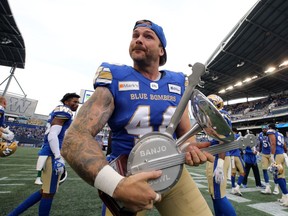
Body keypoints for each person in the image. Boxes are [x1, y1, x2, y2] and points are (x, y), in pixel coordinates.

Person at [61, 20, 214, 216]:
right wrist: (117, 185)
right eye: (135, 35)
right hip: (128, 175)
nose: (139, 40)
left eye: (147, 36)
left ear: (161, 50)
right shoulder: (116, 77)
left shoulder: (177, 82)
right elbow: (75, 138)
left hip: (172, 171)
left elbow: (185, 135)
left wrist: (190, 148)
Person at [8, 93, 80, 216]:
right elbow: (53, 134)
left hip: (50, 154)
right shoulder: (64, 110)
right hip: (51, 155)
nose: (77, 104)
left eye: (78, 102)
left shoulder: (61, 110)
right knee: (47, 193)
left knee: (45, 191)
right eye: (74, 102)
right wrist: (57, 156)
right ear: (66, 102)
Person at [205, 94, 236, 216]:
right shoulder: (223, 114)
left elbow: (222, 140)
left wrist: (220, 164)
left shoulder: (219, 115)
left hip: (219, 156)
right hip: (218, 156)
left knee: (218, 195)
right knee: (214, 194)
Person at [266, 123, 288, 206]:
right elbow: (284, 145)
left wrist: (272, 154)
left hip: (277, 154)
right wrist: (285, 152)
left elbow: (273, 143)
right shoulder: (280, 134)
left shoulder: (271, 132)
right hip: (282, 154)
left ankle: (286, 196)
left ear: (270, 128)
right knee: (282, 176)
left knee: (278, 176)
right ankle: (284, 197)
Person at [259, 125, 279, 195]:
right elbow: (261, 143)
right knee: (264, 170)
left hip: (271, 154)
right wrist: (259, 151)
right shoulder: (260, 135)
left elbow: (274, 144)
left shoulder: (271, 134)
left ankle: (276, 186)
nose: (264, 130)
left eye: (265, 129)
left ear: (268, 129)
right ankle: (267, 187)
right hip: (264, 154)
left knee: (274, 171)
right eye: (263, 129)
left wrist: (273, 154)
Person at [230, 128, 245, 196]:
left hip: (231, 156)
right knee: (242, 172)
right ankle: (237, 187)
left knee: (233, 173)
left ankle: (233, 187)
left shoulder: (228, 136)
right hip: (236, 156)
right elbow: (242, 145)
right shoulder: (237, 136)